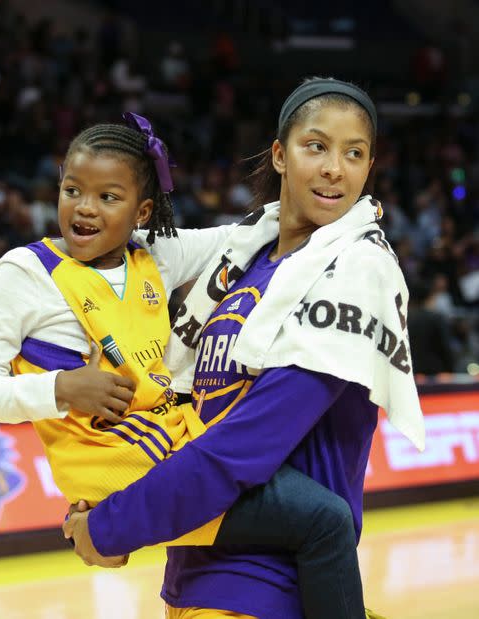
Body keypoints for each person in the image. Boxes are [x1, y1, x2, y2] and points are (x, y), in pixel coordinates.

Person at [0, 110, 393, 619]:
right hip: (110, 463)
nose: (85, 208)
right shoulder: (23, 271)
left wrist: (357, 220)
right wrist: (61, 389)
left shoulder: (153, 257)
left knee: (322, 518)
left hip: (168, 444)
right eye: (72, 190)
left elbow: (252, 234)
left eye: (108, 197)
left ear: (142, 212)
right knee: (326, 520)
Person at [62, 80, 425, 619]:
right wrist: (112, 496)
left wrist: (118, 524)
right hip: (193, 572)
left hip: (272, 585)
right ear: (280, 154)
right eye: (316, 146)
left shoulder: (354, 271)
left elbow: (242, 446)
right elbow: (186, 416)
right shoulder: (242, 259)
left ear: (370, 168)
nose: (334, 168)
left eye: (355, 154)